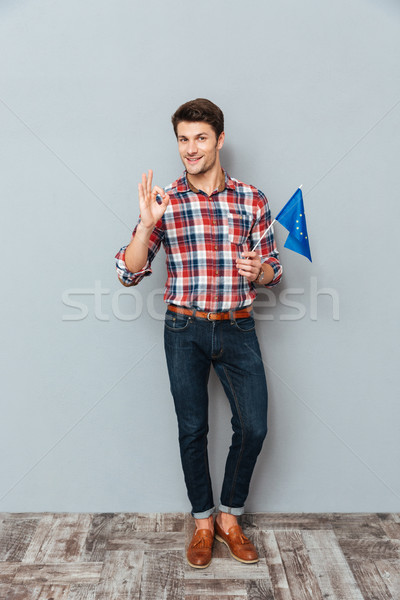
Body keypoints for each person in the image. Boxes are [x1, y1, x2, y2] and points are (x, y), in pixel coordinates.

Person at [115, 98, 282, 568]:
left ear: (220, 139)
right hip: (183, 326)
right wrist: (147, 226)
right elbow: (129, 272)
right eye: (183, 140)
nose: (191, 149)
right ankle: (204, 523)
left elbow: (274, 268)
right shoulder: (164, 201)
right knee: (193, 429)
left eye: (200, 138)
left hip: (237, 327)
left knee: (254, 426)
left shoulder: (252, 198)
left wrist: (259, 272)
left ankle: (231, 517)